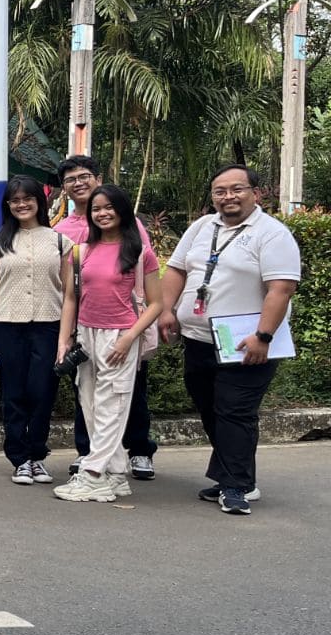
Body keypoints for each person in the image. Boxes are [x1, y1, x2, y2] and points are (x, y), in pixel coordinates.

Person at [159, 164, 301, 516]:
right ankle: (234, 475)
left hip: (247, 342)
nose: (228, 197)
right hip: (199, 337)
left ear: (256, 192)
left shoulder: (272, 234)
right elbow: (176, 270)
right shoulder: (201, 227)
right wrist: (166, 311)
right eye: (220, 191)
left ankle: (236, 486)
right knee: (210, 408)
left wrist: (263, 336)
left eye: (237, 189)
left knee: (234, 412)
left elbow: (280, 289)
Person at [52, 184, 162, 503]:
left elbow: (156, 303)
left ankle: (92, 474)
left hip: (120, 336)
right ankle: (114, 474)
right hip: (87, 334)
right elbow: (71, 298)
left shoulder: (140, 252)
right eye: (96, 209)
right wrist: (64, 341)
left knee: (112, 404)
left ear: (122, 210)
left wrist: (129, 338)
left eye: (109, 207)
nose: (102, 213)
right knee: (90, 403)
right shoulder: (81, 251)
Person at [0, 175, 73, 486]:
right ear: (7, 205)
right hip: (7, 325)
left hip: (48, 325)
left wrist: (65, 338)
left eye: (27, 198)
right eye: (15, 200)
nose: (21, 204)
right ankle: (19, 459)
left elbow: (69, 293)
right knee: (13, 394)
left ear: (39, 201)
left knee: (42, 392)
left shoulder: (60, 241)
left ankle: (37, 456)